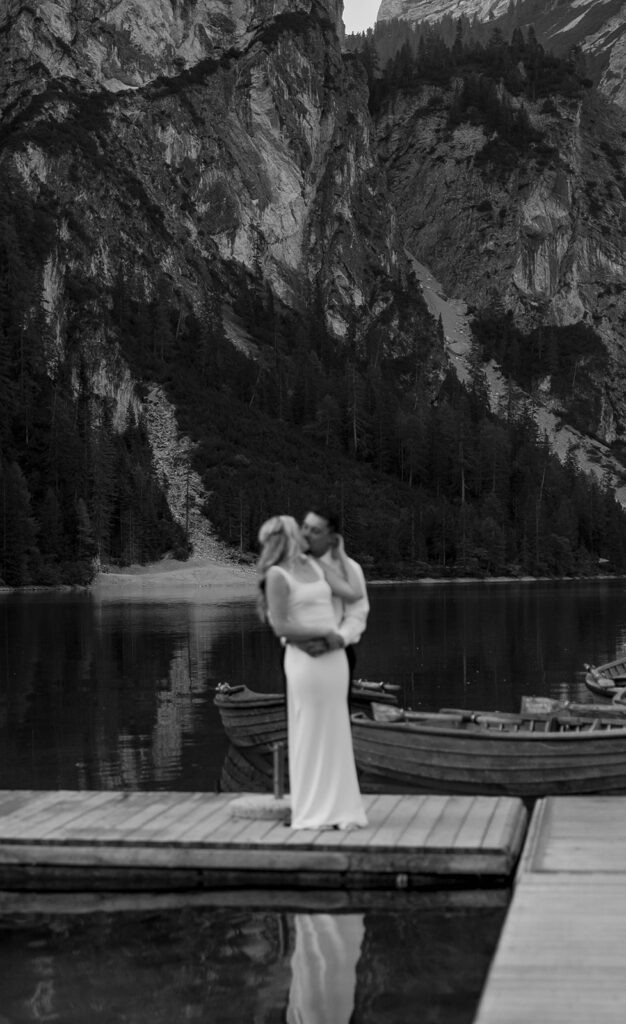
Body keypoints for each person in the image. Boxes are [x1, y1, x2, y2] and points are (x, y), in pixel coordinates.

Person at [257, 515, 368, 831]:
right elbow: (280, 625)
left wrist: (341, 553)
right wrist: (324, 632)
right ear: (293, 536)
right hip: (305, 661)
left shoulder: (318, 567)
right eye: (303, 529)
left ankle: (343, 810)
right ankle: (311, 812)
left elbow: (353, 593)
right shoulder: (277, 575)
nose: (307, 533)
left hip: (334, 660)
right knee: (308, 730)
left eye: (312, 529)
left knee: (336, 730)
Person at [298, 509, 369, 679]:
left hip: (338, 653)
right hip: (297, 654)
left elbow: (357, 614)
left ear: (332, 537)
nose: (306, 534)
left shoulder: (351, 569)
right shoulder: (290, 567)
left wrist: (336, 640)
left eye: (315, 531)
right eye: (305, 527)